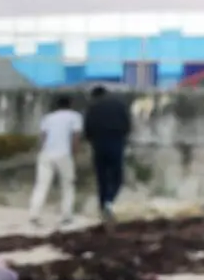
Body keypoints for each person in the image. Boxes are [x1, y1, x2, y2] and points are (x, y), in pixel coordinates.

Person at [28, 94, 83, 227]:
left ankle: (34, 214)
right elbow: (75, 137)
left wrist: (41, 151)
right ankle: (66, 215)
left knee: (41, 185)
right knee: (67, 185)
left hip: (46, 154)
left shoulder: (48, 117)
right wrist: (75, 155)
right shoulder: (75, 117)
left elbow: (43, 137)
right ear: (70, 104)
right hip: (64, 153)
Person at [83, 85, 133, 221]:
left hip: (98, 145)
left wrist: (92, 140)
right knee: (117, 177)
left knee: (102, 178)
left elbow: (87, 130)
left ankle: (102, 206)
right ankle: (109, 202)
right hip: (116, 143)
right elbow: (127, 125)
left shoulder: (92, 108)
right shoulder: (119, 105)